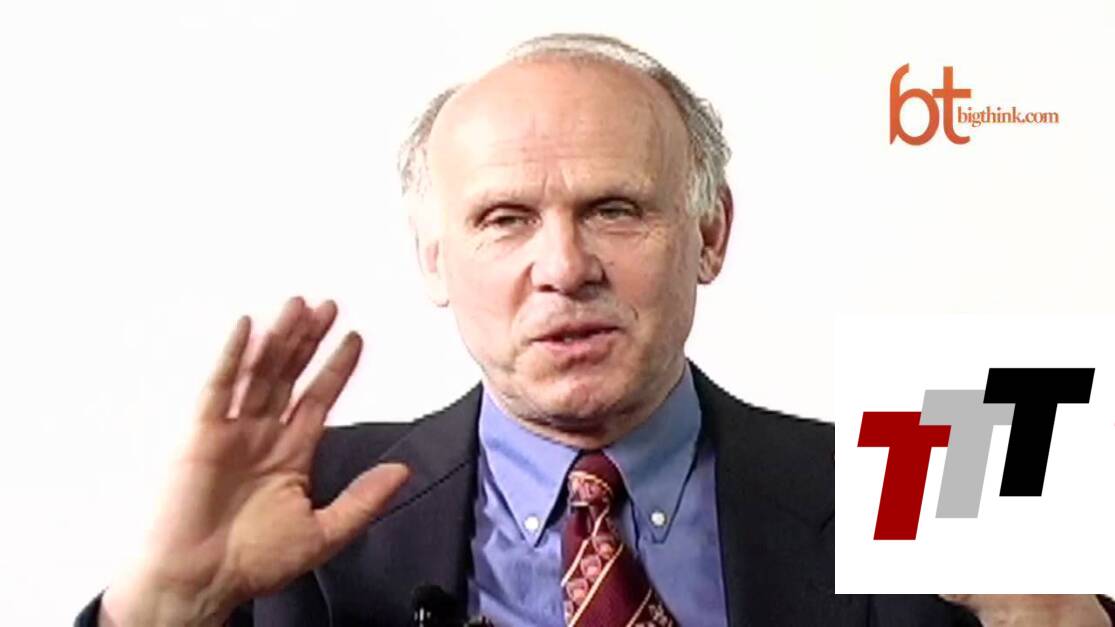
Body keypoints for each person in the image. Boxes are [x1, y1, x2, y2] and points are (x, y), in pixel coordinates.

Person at [77, 33, 1113, 627]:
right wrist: (159, 608)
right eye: (503, 219)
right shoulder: (301, 508)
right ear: (433, 259)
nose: (564, 267)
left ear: (709, 232)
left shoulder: (914, 483)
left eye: (615, 209)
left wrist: (1057, 618)